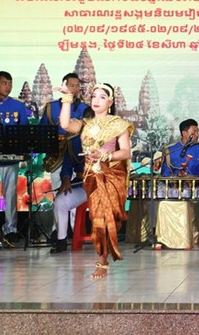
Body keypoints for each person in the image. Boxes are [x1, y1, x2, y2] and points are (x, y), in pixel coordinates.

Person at [58, 82, 133, 279]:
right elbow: (65, 125)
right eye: (93, 96)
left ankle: (103, 258)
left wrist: (105, 156)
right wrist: (67, 99)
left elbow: (125, 152)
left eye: (102, 96)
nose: (96, 100)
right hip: (92, 177)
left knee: (109, 218)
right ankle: (102, 260)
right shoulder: (85, 124)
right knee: (98, 217)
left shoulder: (118, 124)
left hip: (112, 176)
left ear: (110, 101)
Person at [0, 70, 28, 246]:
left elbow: (23, 130)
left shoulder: (17, 106)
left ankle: (11, 230)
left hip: (11, 156)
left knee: (10, 194)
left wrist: (23, 152)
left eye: (10, 83)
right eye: (4, 83)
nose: (7, 86)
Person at [158, 119, 199, 245]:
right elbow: (165, 174)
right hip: (176, 188)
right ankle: (156, 232)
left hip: (195, 187)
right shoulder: (171, 150)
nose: (197, 134)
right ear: (184, 133)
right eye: (194, 132)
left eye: (197, 131)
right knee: (155, 192)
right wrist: (177, 175)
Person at [41, 73, 88, 190]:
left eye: (77, 86)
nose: (75, 89)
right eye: (71, 85)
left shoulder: (85, 108)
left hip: (78, 153)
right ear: (64, 86)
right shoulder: (51, 107)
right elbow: (42, 130)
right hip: (56, 152)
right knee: (58, 190)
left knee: (76, 190)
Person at [48, 120, 87, 254]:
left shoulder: (106, 139)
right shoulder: (74, 142)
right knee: (60, 201)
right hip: (82, 185)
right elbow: (67, 167)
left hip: (103, 186)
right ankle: (61, 240)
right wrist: (65, 179)